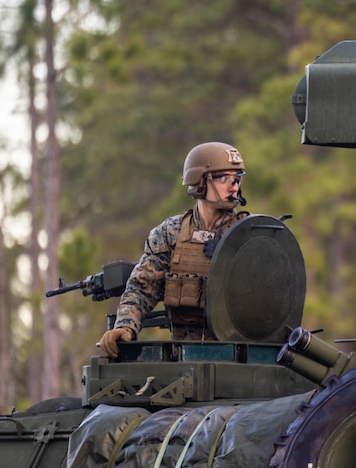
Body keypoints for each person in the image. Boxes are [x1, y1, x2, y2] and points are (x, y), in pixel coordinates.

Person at [97, 141, 248, 357]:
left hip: (239, 363)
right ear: (200, 182)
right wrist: (126, 325)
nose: (234, 186)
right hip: (184, 361)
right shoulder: (170, 234)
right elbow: (142, 287)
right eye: (223, 178)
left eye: (237, 178)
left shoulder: (250, 236)